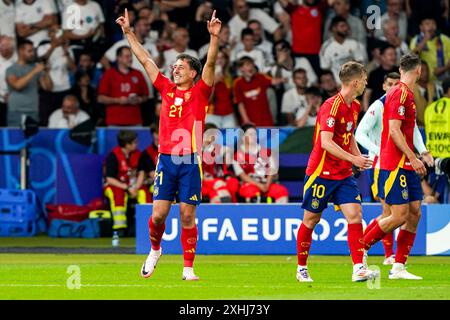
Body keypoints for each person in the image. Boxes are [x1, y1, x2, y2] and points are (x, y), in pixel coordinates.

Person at [116, 8, 221, 280]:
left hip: (190, 160)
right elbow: (145, 59)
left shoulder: (200, 92)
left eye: (181, 67)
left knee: (187, 216)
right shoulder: (166, 88)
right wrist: (128, 32)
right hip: (166, 159)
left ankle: (188, 268)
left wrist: (214, 38)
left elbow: (210, 64)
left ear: (193, 73)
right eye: (174, 66)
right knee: (159, 215)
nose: (175, 69)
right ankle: (155, 249)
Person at [296, 61, 375, 283]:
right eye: (365, 79)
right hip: (321, 171)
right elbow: (326, 142)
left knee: (355, 215)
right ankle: (301, 267)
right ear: (356, 81)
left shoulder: (355, 106)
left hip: (343, 174)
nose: (366, 83)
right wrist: (354, 159)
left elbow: (347, 140)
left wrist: (358, 158)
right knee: (311, 220)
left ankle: (358, 267)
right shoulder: (330, 106)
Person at [363, 54, 429, 280]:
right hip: (394, 165)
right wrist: (413, 157)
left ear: (401, 69)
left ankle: (398, 267)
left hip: (406, 165)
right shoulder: (399, 94)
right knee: (398, 215)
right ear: (419, 71)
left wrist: (421, 153)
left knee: (415, 213)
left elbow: (409, 132)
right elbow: (394, 130)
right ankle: (360, 247)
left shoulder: (408, 94)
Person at [233, 123, 289, 203]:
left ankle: (278, 214)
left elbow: (271, 171)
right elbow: (243, 176)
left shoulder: (267, 152)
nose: (253, 136)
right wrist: (259, 185)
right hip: (250, 184)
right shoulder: (237, 155)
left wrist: (266, 185)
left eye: (255, 134)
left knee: (281, 191)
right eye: (250, 134)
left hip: (267, 184)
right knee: (250, 192)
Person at [97, 46, 149, 126]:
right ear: (119, 58)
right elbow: (100, 98)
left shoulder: (138, 74)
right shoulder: (109, 74)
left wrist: (138, 99)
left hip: (135, 121)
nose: (130, 59)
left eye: (130, 56)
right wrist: (118, 100)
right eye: (127, 56)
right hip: (114, 121)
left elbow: (145, 96)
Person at [6, 39, 53, 126]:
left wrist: (46, 72)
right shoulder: (11, 69)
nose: (32, 53)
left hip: (33, 111)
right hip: (16, 111)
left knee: (31, 139)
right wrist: (34, 71)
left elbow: (48, 87)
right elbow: (17, 86)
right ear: (20, 51)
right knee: (14, 138)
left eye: (33, 51)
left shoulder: (35, 67)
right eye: (29, 51)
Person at [103, 130, 141, 233]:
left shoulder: (139, 154)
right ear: (127, 144)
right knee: (118, 194)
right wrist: (127, 188)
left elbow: (142, 172)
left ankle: (147, 225)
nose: (137, 144)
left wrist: (135, 187)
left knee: (144, 192)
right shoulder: (113, 156)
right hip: (116, 185)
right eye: (134, 142)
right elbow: (109, 179)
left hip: (134, 186)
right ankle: (120, 228)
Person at [234, 56, 286, 126]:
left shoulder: (261, 77)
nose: (251, 67)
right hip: (250, 123)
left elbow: (273, 81)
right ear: (241, 69)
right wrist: (246, 120)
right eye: (248, 65)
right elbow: (240, 104)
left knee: (272, 137)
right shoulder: (238, 83)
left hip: (266, 121)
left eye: (252, 64)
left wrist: (283, 79)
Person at [320, 16, 368, 86]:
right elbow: (325, 68)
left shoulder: (354, 43)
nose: (346, 29)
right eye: (342, 26)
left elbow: (360, 63)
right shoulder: (326, 47)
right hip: (337, 85)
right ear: (334, 28)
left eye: (346, 26)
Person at [202, 123, 239, 203]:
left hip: (217, 178)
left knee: (232, 183)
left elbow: (227, 160)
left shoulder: (219, 148)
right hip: (202, 180)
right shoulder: (197, 149)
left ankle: (233, 206)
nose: (216, 136)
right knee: (220, 188)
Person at [410, 16, 450, 82]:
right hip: (422, 82)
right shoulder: (416, 40)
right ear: (421, 27)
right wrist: (425, 40)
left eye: (433, 23)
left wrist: (444, 68)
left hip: (444, 79)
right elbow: (412, 59)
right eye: (427, 24)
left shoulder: (444, 39)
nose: (431, 26)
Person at [134, 124, 160, 204]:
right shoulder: (147, 153)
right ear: (154, 135)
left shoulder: (172, 150)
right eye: (158, 133)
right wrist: (135, 188)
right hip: (155, 184)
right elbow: (153, 175)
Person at [0, 36, 16, 127]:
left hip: (9, 103)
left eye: (6, 45)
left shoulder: (15, 64)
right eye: (1, 45)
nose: (3, 48)